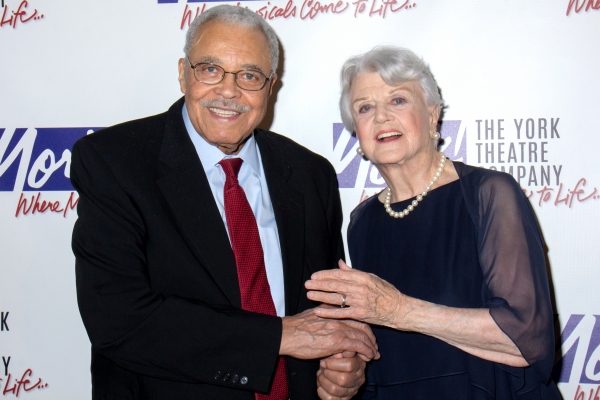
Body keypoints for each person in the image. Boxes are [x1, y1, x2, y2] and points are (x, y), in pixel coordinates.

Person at [70, 6, 379, 400]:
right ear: (184, 73)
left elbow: (324, 315)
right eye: (210, 69)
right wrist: (279, 336)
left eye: (249, 75)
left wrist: (340, 367)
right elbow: (117, 317)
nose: (229, 91)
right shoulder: (114, 161)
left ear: (270, 87)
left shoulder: (308, 174)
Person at [305, 45, 561, 399]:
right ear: (358, 138)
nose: (381, 117)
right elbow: (385, 355)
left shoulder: (488, 194)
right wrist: (348, 373)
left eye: (397, 100)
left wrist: (399, 310)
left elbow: (527, 340)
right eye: (365, 108)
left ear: (432, 115)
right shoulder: (362, 223)